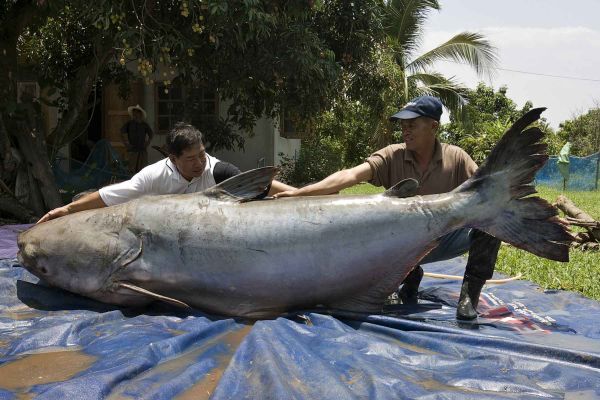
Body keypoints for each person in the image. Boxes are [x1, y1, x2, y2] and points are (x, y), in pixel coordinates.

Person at [275, 95, 501, 320]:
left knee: (491, 218)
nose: (405, 130)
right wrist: (299, 193)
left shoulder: (457, 158)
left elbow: (486, 189)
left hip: (445, 238)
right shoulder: (393, 155)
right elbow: (350, 175)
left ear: (433, 126)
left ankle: (469, 295)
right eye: (403, 125)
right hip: (400, 245)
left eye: (412, 125)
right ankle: (407, 277)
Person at [38, 122, 295, 224]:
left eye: (202, 155)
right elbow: (107, 196)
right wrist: (67, 210)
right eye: (191, 158)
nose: (199, 163)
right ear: (173, 158)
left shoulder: (216, 170)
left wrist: (300, 194)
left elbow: (259, 184)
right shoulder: (152, 177)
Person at [121, 104, 154, 173]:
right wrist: (126, 143)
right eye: (134, 112)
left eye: (136, 112)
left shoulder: (144, 125)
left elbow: (151, 134)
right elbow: (122, 132)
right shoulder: (129, 123)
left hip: (142, 150)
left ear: (140, 114)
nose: (135, 114)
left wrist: (147, 143)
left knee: (143, 170)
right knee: (132, 170)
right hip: (132, 150)